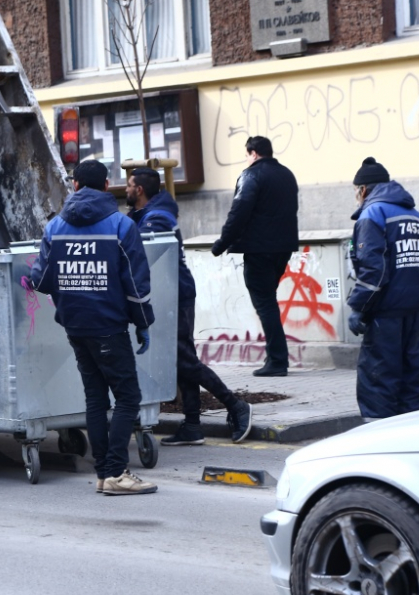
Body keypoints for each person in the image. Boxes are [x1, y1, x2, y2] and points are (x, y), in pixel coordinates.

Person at [25, 159, 157, 496]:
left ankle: (103, 474)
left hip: (75, 326)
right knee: (128, 398)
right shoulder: (121, 226)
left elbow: (39, 279)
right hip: (109, 326)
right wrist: (143, 324)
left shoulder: (55, 227)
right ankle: (115, 473)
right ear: (107, 184)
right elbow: (137, 286)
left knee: (96, 399)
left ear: (75, 185)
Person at [126, 168, 252, 445]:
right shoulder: (150, 215)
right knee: (183, 360)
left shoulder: (155, 219)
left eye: (129, 185)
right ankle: (193, 425)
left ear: (140, 190)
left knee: (183, 360)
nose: (125, 189)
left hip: (174, 296)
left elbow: (147, 259)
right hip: (172, 294)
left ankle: (235, 405)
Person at [348, 157, 419, 420]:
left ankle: (378, 438)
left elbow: (373, 270)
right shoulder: (413, 214)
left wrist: (359, 307)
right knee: (410, 376)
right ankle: (412, 433)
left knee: (378, 379)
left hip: (385, 311)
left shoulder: (372, 214)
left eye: (356, 191)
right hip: (414, 308)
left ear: (363, 189)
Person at [211, 135, 298, 377]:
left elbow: (238, 212)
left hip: (259, 249)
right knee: (269, 302)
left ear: (253, 153)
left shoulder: (251, 175)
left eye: (247, 154)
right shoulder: (287, 174)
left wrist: (222, 243)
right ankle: (277, 358)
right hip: (283, 248)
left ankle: (278, 361)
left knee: (266, 304)